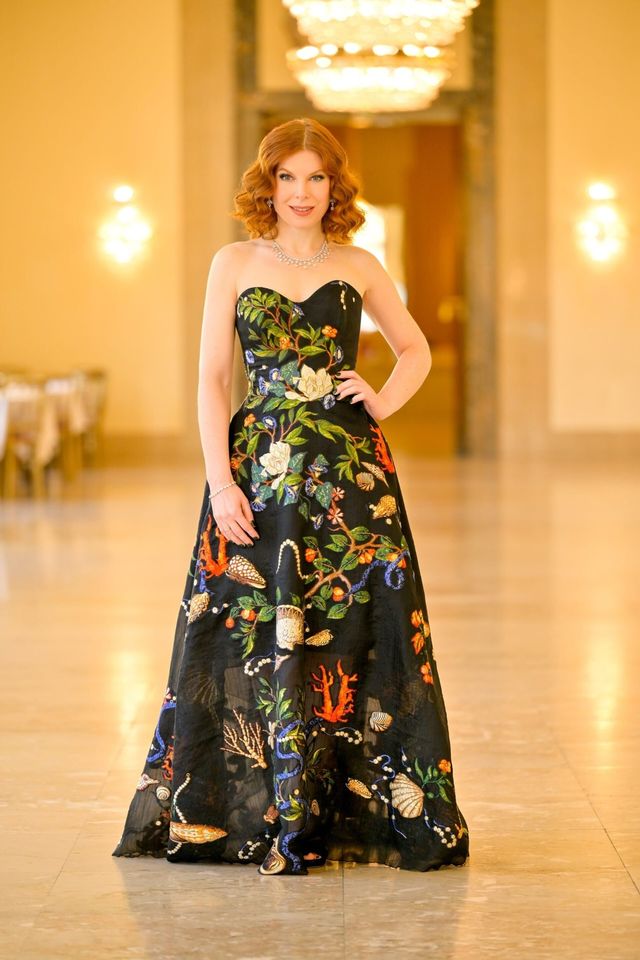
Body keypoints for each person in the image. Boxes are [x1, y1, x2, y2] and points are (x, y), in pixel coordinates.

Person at [112, 117, 470, 876]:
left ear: (334, 186)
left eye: (316, 177)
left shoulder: (359, 263)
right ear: (267, 184)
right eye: (287, 177)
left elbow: (415, 348)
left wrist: (381, 400)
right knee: (240, 632)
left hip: (350, 479)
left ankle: (352, 809)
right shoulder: (234, 261)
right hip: (259, 472)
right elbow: (213, 379)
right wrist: (220, 480)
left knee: (356, 632)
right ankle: (253, 806)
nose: (301, 192)